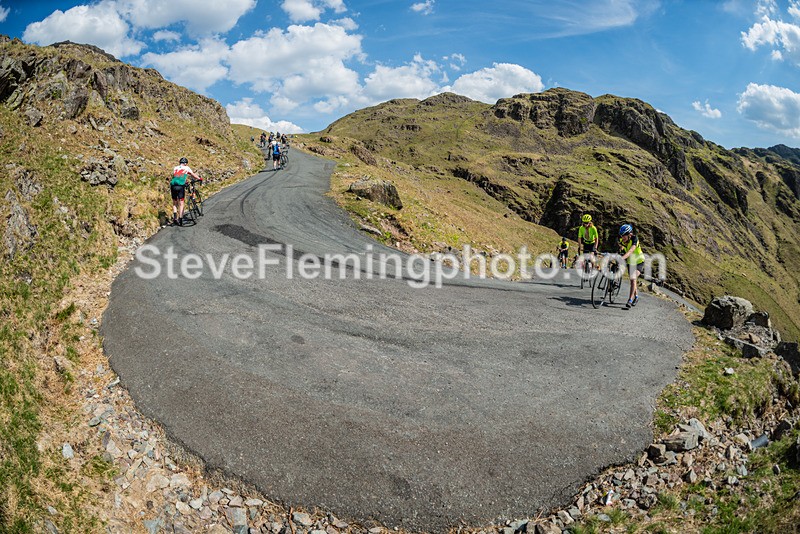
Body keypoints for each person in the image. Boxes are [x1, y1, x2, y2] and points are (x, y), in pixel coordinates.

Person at [618, 223, 645, 310]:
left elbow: (630, 251)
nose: (622, 237)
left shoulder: (635, 239)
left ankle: (630, 300)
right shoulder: (622, 240)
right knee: (633, 280)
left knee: (633, 279)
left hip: (639, 262)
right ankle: (636, 296)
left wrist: (622, 258)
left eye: (624, 235)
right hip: (630, 262)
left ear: (630, 234)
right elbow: (622, 248)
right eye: (621, 235)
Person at [169, 157, 202, 226]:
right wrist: (199, 178)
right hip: (180, 186)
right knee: (181, 203)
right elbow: (193, 175)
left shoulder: (175, 168)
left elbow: (177, 176)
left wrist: (185, 180)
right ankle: (180, 218)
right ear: (186, 163)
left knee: (175, 202)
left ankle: (175, 217)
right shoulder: (187, 168)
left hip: (173, 185)